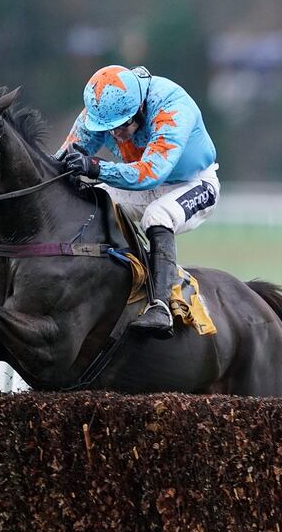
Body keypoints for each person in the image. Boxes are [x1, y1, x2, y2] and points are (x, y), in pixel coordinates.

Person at [57, 65, 219, 339]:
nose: (116, 135)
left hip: (193, 184)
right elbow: (61, 158)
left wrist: (96, 168)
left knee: (157, 216)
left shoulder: (172, 108)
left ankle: (161, 307)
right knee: (92, 200)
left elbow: (151, 173)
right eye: (108, 129)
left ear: (139, 109)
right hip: (143, 181)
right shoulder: (103, 110)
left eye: (121, 127)